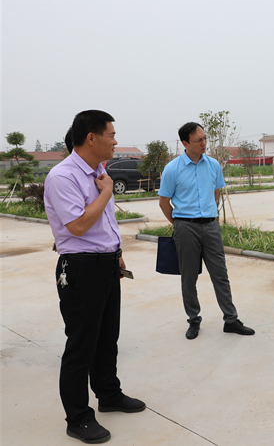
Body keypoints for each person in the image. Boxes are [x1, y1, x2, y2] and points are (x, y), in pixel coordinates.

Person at [44, 110, 145, 444]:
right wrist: (106, 193)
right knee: (81, 345)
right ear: (91, 137)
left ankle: (109, 394)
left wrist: (117, 252)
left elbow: (104, 224)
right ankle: (78, 418)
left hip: (106, 264)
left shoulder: (99, 172)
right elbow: (78, 225)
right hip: (81, 268)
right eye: (111, 135)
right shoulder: (63, 176)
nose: (115, 141)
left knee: (107, 338)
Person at [158, 122, 254, 340]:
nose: (204, 143)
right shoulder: (172, 169)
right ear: (185, 143)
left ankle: (231, 319)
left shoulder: (213, 165)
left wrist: (210, 215)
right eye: (198, 140)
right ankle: (193, 320)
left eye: (204, 138)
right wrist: (180, 224)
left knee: (220, 274)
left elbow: (216, 192)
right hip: (185, 227)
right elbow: (164, 202)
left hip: (211, 226)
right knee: (189, 277)